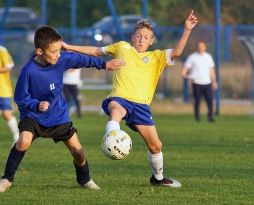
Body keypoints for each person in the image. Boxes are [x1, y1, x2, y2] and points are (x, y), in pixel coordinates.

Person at [62, 11, 198, 188]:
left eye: (146, 37)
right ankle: (111, 135)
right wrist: (70, 47)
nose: (142, 40)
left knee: (156, 145)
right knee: (116, 109)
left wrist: (187, 29)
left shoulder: (156, 57)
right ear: (132, 36)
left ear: (151, 41)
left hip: (141, 106)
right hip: (120, 97)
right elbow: (96, 51)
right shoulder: (122, 47)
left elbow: (178, 52)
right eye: (139, 36)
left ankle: (157, 178)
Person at [0, 25, 125, 192]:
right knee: (23, 141)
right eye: (53, 51)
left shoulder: (60, 59)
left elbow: (83, 60)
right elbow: (20, 98)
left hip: (58, 115)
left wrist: (105, 65)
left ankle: (84, 180)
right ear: (39, 51)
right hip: (33, 115)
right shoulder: (28, 71)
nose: (58, 55)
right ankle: (6, 179)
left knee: (78, 151)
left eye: (59, 50)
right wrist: (36, 105)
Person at [181, 41, 218, 122]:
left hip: (207, 82)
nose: (200, 48)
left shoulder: (208, 57)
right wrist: (183, 74)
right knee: (197, 100)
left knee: (210, 100)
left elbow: (211, 69)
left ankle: (210, 116)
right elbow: (186, 67)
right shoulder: (192, 57)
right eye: (199, 46)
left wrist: (214, 81)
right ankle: (197, 117)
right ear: (196, 47)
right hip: (196, 82)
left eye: (202, 46)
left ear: (205, 47)